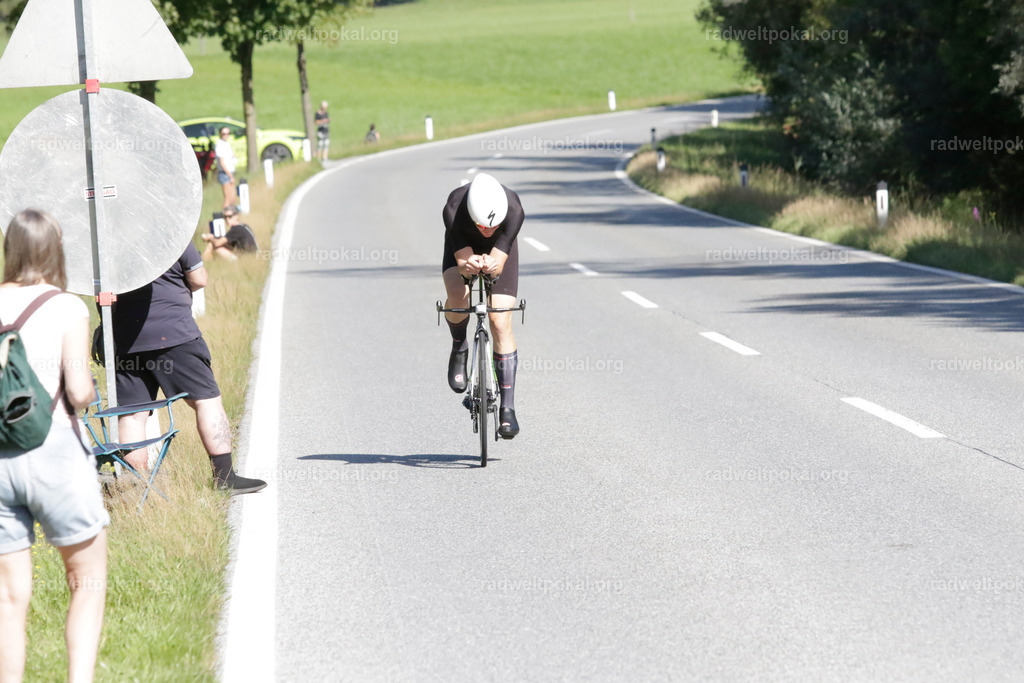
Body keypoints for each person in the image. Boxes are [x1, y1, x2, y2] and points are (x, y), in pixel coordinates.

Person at [0, 209, 108, 683]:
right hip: (56, 448)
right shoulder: (66, 307)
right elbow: (80, 391)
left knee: (7, 597)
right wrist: (92, 393)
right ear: (54, 250)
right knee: (86, 580)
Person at [109, 243, 266, 495]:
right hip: (176, 334)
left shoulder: (110, 238)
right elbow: (199, 278)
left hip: (125, 339)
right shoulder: (173, 231)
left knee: (131, 414)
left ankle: (137, 487)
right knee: (206, 401)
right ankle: (224, 477)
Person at [441, 172, 524, 438]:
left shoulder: (513, 209)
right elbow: (463, 260)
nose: (488, 230)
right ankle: (459, 347)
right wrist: (469, 264)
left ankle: (507, 408)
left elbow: (499, 260)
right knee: (458, 296)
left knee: (499, 318)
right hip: (462, 241)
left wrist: (492, 263)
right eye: (484, 226)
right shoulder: (454, 208)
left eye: (492, 226)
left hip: (499, 249)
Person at [214, 126, 238, 209]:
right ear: (220, 134)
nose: (226, 135)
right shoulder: (219, 144)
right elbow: (221, 162)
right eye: (224, 133)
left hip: (230, 172)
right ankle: (225, 217)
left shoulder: (226, 144)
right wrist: (230, 176)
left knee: (232, 198)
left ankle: (231, 216)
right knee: (228, 199)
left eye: (228, 133)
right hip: (225, 174)